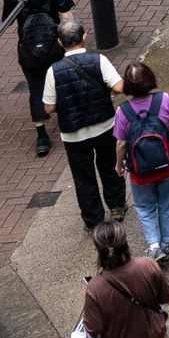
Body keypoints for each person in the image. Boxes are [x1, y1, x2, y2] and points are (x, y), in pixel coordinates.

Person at [42, 19, 126, 231]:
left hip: (73, 133)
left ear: (60, 42)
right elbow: (119, 86)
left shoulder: (54, 71)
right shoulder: (99, 60)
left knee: (83, 175)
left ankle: (93, 219)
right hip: (105, 124)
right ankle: (116, 207)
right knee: (109, 165)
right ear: (84, 36)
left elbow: (48, 108)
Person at [5, 0, 74, 158]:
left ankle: (42, 136)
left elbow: (7, 20)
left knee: (36, 89)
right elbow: (67, 18)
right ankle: (66, 122)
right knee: (60, 81)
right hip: (54, 46)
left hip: (28, 50)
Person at [114, 60, 169, 262]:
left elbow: (121, 144)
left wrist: (119, 165)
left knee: (144, 206)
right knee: (168, 201)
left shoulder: (122, 111)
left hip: (139, 171)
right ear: (150, 79)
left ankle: (153, 245)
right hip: (167, 165)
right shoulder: (164, 99)